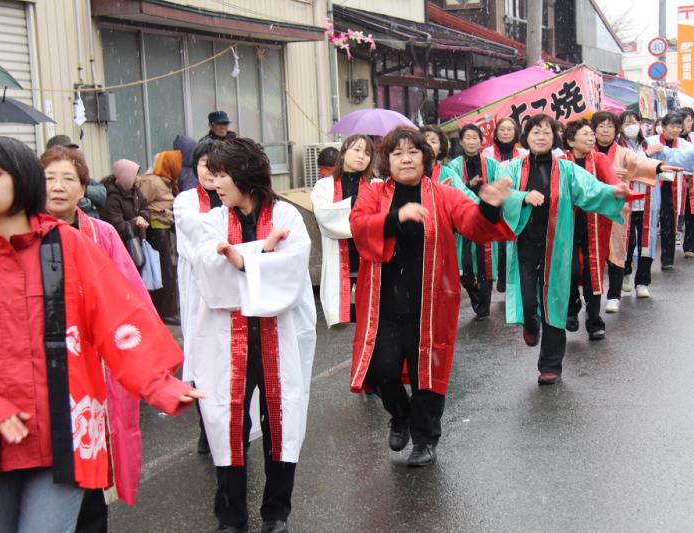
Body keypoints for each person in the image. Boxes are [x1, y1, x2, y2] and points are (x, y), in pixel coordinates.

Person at [0, 136, 203, 532]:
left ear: (22, 179)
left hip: (66, 431)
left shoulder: (70, 246)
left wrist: (157, 382)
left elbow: (116, 317)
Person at [349, 127, 518, 466]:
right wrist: (397, 216)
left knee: (430, 372)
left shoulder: (444, 193)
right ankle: (400, 414)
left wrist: (487, 208)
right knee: (382, 371)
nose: (406, 158)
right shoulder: (373, 193)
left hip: (432, 304)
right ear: (387, 160)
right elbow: (359, 224)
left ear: (426, 158)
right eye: (398, 153)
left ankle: (425, 440)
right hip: (384, 304)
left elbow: (472, 224)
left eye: (413, 152)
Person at [190, 138, 315, 533]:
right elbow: (208, 268)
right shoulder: (212, 219)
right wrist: (262, 251)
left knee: (281, 417)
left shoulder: (287, 217)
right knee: (228, 422)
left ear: (244, 175)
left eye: (221, 174)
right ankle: (230, 515)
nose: (215, 182)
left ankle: (276, 512)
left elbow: (292, 271)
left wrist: (243, 259)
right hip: (227, 339)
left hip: (278, 335)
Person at [40, 145, 153, 531]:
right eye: (48, 178)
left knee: (89, 474)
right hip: (44, 370)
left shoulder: (100, 233)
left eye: (68, 178)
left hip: (95, 368)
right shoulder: (23, 235)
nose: (57, 187)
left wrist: (149, 364)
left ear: (83, 187)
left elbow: (132, 298)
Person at [499, 114, 629, 384]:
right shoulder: (513, 168)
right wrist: (523, 197)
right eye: (535, 132)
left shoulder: (566, 169)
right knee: (528, 301)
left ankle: (551, 366)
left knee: (554, 305)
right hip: (524, 247)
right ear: (526, 137)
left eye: (546, 132)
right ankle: (530, 325)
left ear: (554, 137)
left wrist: (613, 192)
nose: (541, 137)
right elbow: (499, 195)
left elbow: (590, 188)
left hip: (557, 249)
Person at [591, 111, 681, 312]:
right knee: (590, 253)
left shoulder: (626, 151)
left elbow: (640, 163)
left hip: (621, 207)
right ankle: (588, 299)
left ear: (616, 130)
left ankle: (614, 295)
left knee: (619, 248)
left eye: (609, 126)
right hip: (591, 209)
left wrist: (658, 167)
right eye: (601, 126)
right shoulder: (587, 151)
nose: (605, 130)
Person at [174, 140, 223, 457]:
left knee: (230, 354)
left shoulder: (238, 197)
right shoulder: (185, 200)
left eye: (216, 164)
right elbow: (199, 235)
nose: (209, 170)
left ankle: (234, 423)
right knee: (201, 353)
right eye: (203, 163)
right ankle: (207, 427)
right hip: (197, 286)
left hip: (231, 281)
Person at [561, 119, 621, 339]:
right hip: (567, 225)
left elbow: (611, 181)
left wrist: (617, 189)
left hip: (595, 225)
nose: (590, 138)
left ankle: (594, 320)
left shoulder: (600, 159)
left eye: (591, 134)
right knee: (571, 270)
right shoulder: (560, 162)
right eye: (585, 134)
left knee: (592, 272)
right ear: (570, 140)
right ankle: (572, 307)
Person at [311, 135, 374, 328]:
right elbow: (324, 216)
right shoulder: (324, 185)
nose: (361, 156)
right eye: (356, 149)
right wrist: (354, 205)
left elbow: (380, 219)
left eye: (367, 153)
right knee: (344, 318)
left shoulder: (376, 184)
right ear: (344, 151)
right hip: (339, 258)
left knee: (372, 322)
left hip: (368, 258)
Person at [446, 124, 505, 319]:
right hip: (464, 220)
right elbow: (452, 190)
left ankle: (484, 305)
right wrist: (467, 186)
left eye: (475, 137)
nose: (471, 141)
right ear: (461, 142)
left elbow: (498, 188)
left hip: (485, 219)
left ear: (481, 141)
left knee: (485, 262)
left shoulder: (492, 164)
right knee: (466, 267)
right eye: (467, 138)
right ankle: (474, 294)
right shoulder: (453, 166)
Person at [645, 112, 694, 270]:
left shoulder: (683, 143)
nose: (675, 130)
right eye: (672, 126)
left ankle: (667, 258)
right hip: (654, 185)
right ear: (662, 126)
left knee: (669, 220)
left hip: (674, 185)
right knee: (649, 223)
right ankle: (645, 258)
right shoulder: (651, 142)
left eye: (679, 127)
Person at [139, 150, 181, 324]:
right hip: (156, 230)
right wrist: (161, 212)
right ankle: (164, 310)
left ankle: (169, 308)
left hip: (165, 227)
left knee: (169, 270)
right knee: (163, 270)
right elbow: (141, 202)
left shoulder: (167, 181)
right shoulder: (153, 181)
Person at [45, 134, 106, 218]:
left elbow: (102, 193)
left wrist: (79, 193)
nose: (58, 187)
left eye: (69, 179)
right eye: (50, 178)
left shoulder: (78, 170)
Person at [101, 159, 151, 258]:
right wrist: (135, 222)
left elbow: (145, 207)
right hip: (121, 248)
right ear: (127, 176)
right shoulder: (112, 197)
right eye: (136, 175)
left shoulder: (134, 190)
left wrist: (143, 217)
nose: (139, 178)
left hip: (136, 242)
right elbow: (117, 227)